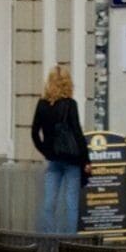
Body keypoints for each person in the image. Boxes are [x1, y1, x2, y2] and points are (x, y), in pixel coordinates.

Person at [33, 67, 90, 234]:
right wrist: (86, 160)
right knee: (71, 203)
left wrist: (46, 151)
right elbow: (77, 134)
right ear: (67, 84)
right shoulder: (70, 105)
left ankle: (50, 240)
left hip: (53, 160)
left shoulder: (42, 105)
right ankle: (70, 242)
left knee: (49, 203)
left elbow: (35, 133)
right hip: (72, 160)